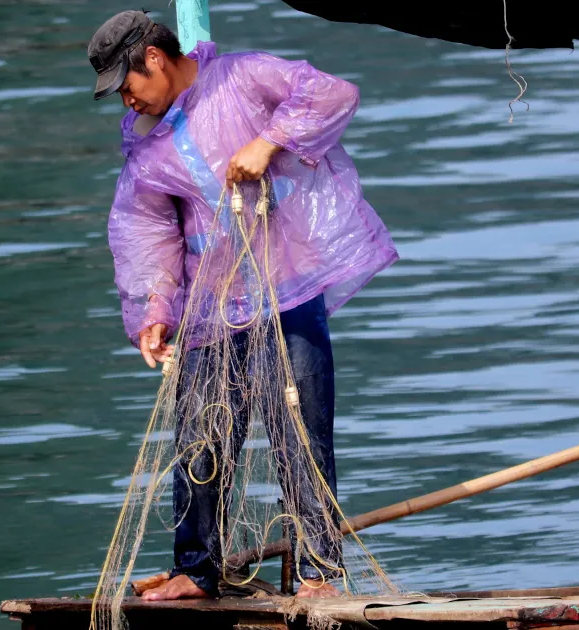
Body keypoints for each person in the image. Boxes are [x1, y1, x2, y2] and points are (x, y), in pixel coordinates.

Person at [87, 10, 398, 601]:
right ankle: (196, 571)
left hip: (289, 289)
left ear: (153, 58)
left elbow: (331, 94)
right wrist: (155, 310)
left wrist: (269, 140)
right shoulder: (147, 149)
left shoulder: (243, 77)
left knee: (300, 434)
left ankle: (319, 576)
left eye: (127, 88)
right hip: (212, 305)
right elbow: (147, 232)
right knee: (201, 440)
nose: (128, 104)